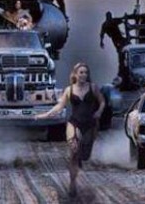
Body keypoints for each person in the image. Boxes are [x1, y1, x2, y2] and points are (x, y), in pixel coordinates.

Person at [35, 63, 105, 198]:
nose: (83, 75)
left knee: (85, 156)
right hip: (74, 123)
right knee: (73, 150)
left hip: (90, 124)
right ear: (75, 74)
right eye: (81, 72)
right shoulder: (69, 90)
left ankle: (80, 158)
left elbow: (102, 102)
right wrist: (45, 115)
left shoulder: (93, 88)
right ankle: (72, 183)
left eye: (85, 72)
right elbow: (59, 106)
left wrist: (99, 112)